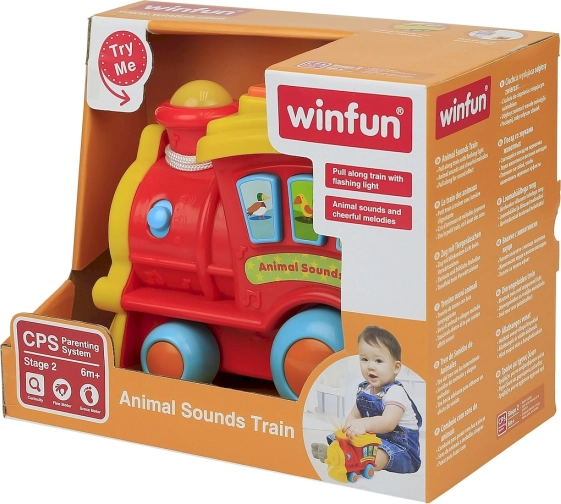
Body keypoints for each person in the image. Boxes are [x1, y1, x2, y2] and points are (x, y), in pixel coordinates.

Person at [312, 326, 422, 474]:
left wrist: (363, 424)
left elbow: (388, 423)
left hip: (401, 447)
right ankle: (334, 453)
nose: (370, 366)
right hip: (374, 437)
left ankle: (351, 460)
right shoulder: (364, 389)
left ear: (396, 368)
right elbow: (354, 415)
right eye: (364, 359)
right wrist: (350, 429)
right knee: (342, 439)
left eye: (378, 361)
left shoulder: (396, 392)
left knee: (378, 454)